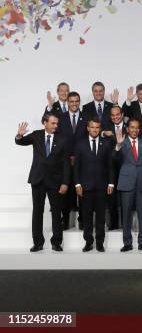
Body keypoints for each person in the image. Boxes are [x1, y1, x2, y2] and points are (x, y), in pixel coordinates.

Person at [15, 114, 70, 252]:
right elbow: (20, 142)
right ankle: (38, 242)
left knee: (56, 212)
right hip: (38, 179)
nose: (55, 126)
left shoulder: (62, 139)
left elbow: (66, 164)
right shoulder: (36, 135)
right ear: (44, 123)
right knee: (37, 211)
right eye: (52, 123)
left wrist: (65, 183)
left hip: (55, 181)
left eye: (56, 124)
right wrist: (19, 135)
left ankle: (56, 242)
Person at [73, 118, 115, 252]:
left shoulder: (107, 143)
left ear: (100, 129)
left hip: (102, 186)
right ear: (88, 128)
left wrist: (111, 183)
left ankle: (99, 242)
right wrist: (77, 184)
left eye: (97, 127)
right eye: (92, 127)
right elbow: (76, 167)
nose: (95, 130)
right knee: (87, 217)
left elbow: (110, 166)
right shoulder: (80, 144)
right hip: (85, 187)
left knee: (101, 217)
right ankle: (88, 242)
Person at [114, 119, 142, 252]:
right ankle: (127, 242)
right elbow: (114, 158)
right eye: (132, 127)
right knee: (126, 214)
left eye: (137, 128)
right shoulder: (121, 142)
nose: (135, 130)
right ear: (128, 128)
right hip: (126, 182)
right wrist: (118, 146)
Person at [57, 91, 87, 230]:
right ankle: (65, 219)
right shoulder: (60, 118)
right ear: (67, 102)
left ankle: (82, 219)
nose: (74, 104)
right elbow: (57, 139)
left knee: (81, 190)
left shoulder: (86, 117)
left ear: (79, 102)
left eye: (76, 101)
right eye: (71, 101)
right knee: (66, 190)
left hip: (82, 159)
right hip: (65, 159)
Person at [102, 105, 125, 230]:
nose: (115, 117)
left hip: (126, 165)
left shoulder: (129, 127)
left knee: (125, 195)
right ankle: (114, 223)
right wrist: (103, 132)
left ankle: (126, 223)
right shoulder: (106, 129)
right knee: (111, 196)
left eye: (118, 114)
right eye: (113, 115)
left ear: (122, 115)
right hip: (110, 166)